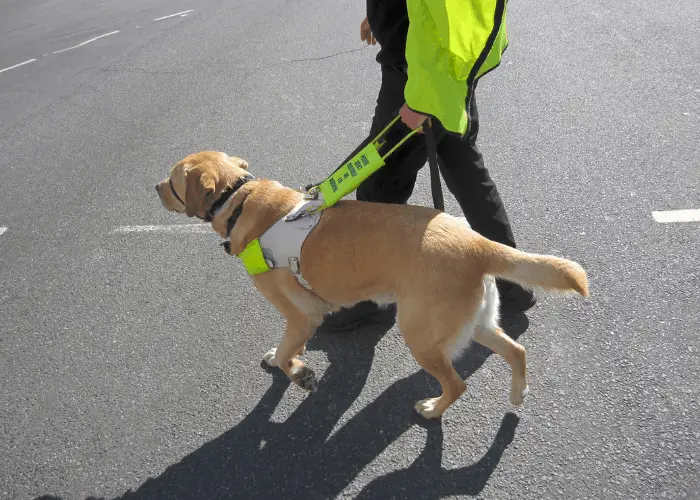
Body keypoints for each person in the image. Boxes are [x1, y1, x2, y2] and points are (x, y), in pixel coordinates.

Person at [322, 0, 535, 332]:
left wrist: (423, 97)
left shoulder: (420, 82)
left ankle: (368, 297)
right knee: (465, 169)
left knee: (379, 188)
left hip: (419, 77)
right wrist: (380, 16)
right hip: (438, 71)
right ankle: (513, 281)